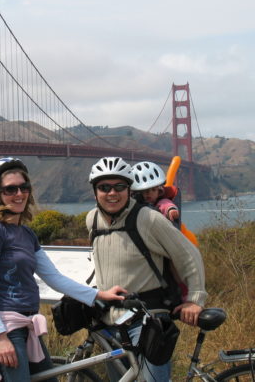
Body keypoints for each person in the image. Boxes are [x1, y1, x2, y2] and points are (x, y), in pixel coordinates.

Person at [0, 157, 125, 382]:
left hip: (27, 325)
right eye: (10, 189)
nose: (19, 194)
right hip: (6, 327)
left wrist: (99, 295)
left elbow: (54, 278)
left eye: (24, 187)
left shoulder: (26, 234)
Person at [86, 157, 207, 382]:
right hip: (110, 322)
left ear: (129, 189)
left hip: (147, 320)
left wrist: (195, 298)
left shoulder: (148, 219)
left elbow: (189, 255)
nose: (112, 193)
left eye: (119, 186)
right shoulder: (92, 219)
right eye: (104, 187)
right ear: (95, 192)